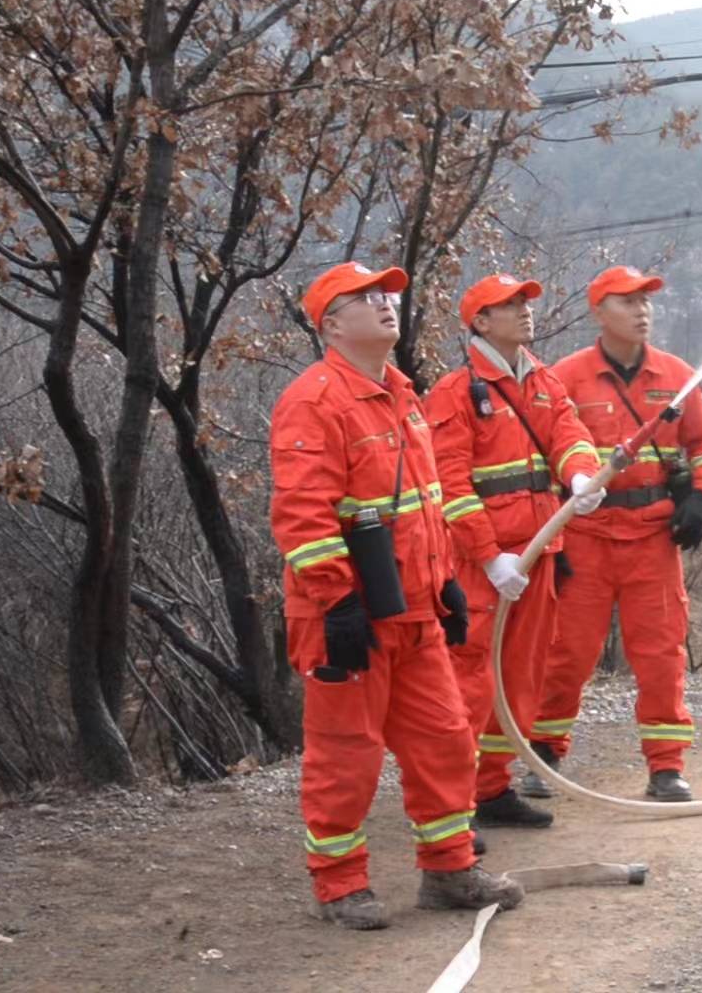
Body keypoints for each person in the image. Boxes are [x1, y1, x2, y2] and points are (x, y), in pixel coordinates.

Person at [269, 261, 523, 930]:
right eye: (366, 298)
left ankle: (448, 871)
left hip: (416, 614)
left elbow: (421, 502)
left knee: (445, 741)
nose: (386, 305)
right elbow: (302, 514)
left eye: (388, 295)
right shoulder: (314, 399)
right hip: (347, 619)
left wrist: (442, 580)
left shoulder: (402, 395)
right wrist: (337, 601)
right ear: (330, 323)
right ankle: (339, 885)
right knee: (345, 755)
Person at [537, 265, 702, 802]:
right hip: (586, 536)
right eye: (628, 301)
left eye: (647, 300)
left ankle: (666, 767)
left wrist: (701, 497)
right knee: (566, 652)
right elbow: (539, 457)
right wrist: (549, 541)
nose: (642, 310)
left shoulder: (677, 374)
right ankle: (545, 754)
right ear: (598, 312)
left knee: (661, 654)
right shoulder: (566, 378)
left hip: (652, 538)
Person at [424, 273, 603, 826]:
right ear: (480, 322)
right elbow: (450, 487)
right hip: (488, 565)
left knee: (521, 677)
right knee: (472, 681)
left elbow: (570, 437)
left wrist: (580, 478)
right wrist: (487, 556)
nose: (526, 311)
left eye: (526, 301)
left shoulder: (543, 381)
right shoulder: (455, 394)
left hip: (539, 554)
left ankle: (493, 789)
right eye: (510, 305)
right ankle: (452, 803)